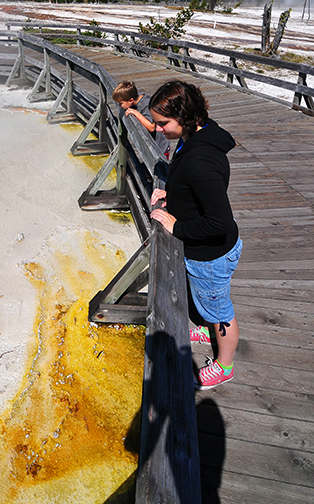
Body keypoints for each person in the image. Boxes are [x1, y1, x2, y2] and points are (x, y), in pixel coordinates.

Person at [147, 80, 242, 390]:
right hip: (207, 252)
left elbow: (219, 223)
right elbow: (190, 185)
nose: (158, 129)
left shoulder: (202, 162)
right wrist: (169, 194)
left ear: (186, 118)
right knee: (210, 303)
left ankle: (225, 364)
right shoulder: (197, 133)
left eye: (163, 123)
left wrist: (178, 227)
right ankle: (206, 324)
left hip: (211, 255)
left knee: (221, 309)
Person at [112, 80, 175, 160]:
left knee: (161, 168)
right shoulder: (136, 102)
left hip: (160, 146)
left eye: (121, 103)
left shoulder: (146, 105)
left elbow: (151, 127)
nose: (119, 106)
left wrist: (135, 113)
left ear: (131, 100)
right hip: (151, 144)